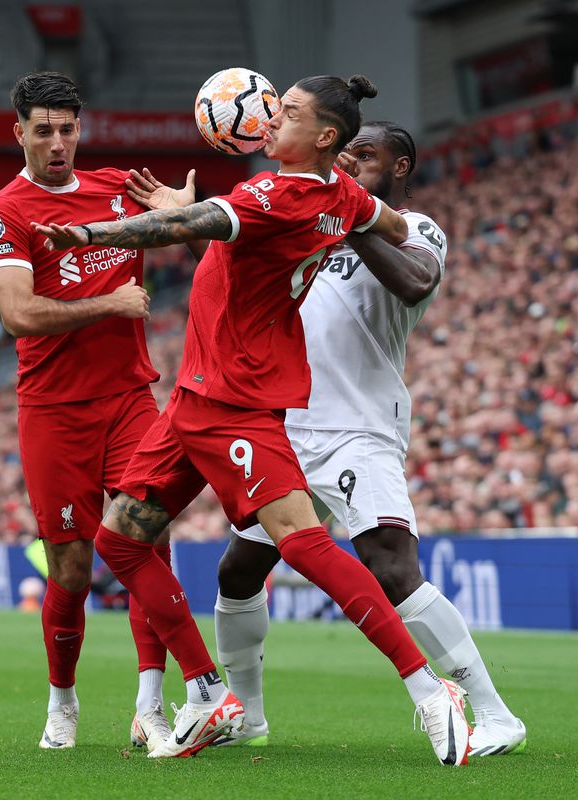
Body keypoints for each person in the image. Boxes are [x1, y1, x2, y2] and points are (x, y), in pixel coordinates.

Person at [34, 74, 473, 766]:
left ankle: (428, 688)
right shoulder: (341, 195)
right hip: (194, 397)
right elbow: (392, 230)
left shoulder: (279, 194)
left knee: (301, 543)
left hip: (236, 398)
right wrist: (354, 223)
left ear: (324, 136)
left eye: (288, 111)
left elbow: (181, 228)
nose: (271, 118)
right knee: (119, 540)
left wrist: (88, 233)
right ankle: (209, 692)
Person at [180, 120, 524, 756]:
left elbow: (416, 282)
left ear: (400, 167)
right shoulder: (309, 222)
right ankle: (248, 717)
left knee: (392, 568)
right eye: (344, 154)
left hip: (358, 428)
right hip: (286, 422)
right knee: (239, 571)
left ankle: (495, 714)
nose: (349, 162)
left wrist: (349, 213)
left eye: (365, 155)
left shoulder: (414, 227)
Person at [0, 71, 178, 753]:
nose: (58, 143)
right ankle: (62, 701)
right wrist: (109, 304)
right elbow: (18, 314)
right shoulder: (6, 211)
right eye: (44, 131)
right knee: (70, 569)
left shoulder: (120, 188)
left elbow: (188, 226)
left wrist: (184, 207)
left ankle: (151, 705)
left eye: (67, 129)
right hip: (53, 410)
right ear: (19, 132)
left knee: (149, 542)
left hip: (129, 398)